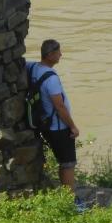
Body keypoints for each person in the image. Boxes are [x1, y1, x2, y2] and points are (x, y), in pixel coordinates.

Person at [27, 39, 80, 193]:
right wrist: (72, 126)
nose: (61, 55)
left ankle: (64, 196)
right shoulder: (51, 79)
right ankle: (70, 200)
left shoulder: (33, 68)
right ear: (50, 55)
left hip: (44, 125)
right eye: (58, 52)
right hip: (59, 128)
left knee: (63, 162)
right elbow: (59, 106)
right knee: (68, 164)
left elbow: (21, 63)